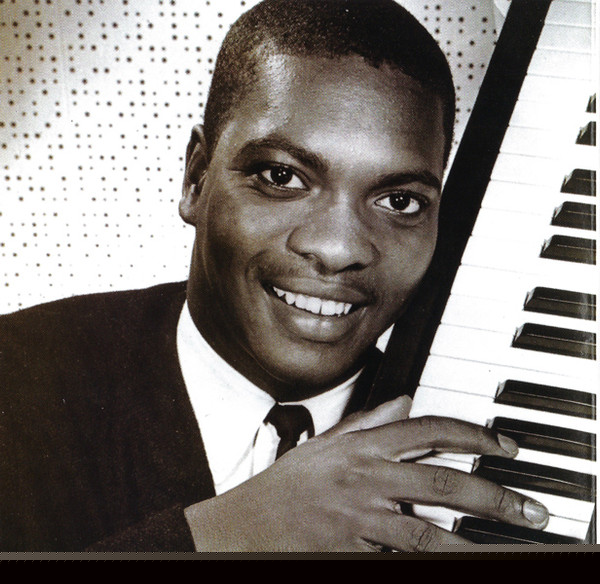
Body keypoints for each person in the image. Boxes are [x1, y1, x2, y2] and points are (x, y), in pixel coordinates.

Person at [0, 0, 551, 552]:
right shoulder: (18, 377)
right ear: (197, 179)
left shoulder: (492, 434)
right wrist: (229, 532)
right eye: (282, 176)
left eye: (400, 201)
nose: (338, 250)